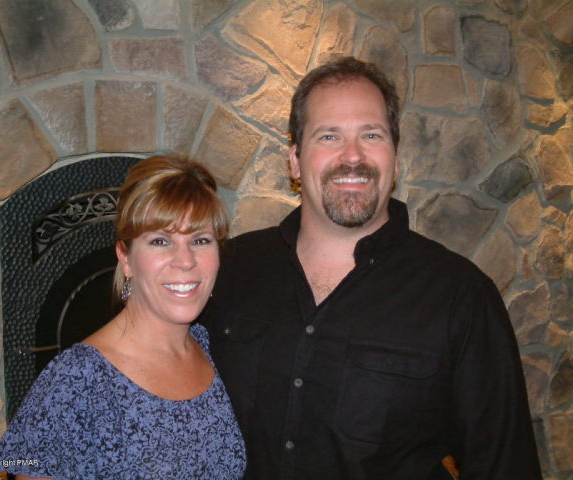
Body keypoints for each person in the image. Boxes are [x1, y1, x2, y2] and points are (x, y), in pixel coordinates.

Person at [203, 57, 542, 479]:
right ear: (294, 160)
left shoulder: (461, 296)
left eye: (371, 134)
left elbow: (505, 466)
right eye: (329, 135)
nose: (352, 156)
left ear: (395, 159)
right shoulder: (228, 269)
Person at [0, 155, 246, 479]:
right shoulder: (77, 380)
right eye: (160, 241)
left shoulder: (210, 347)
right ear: (125, 257)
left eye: (200, 240)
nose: (185, 261)